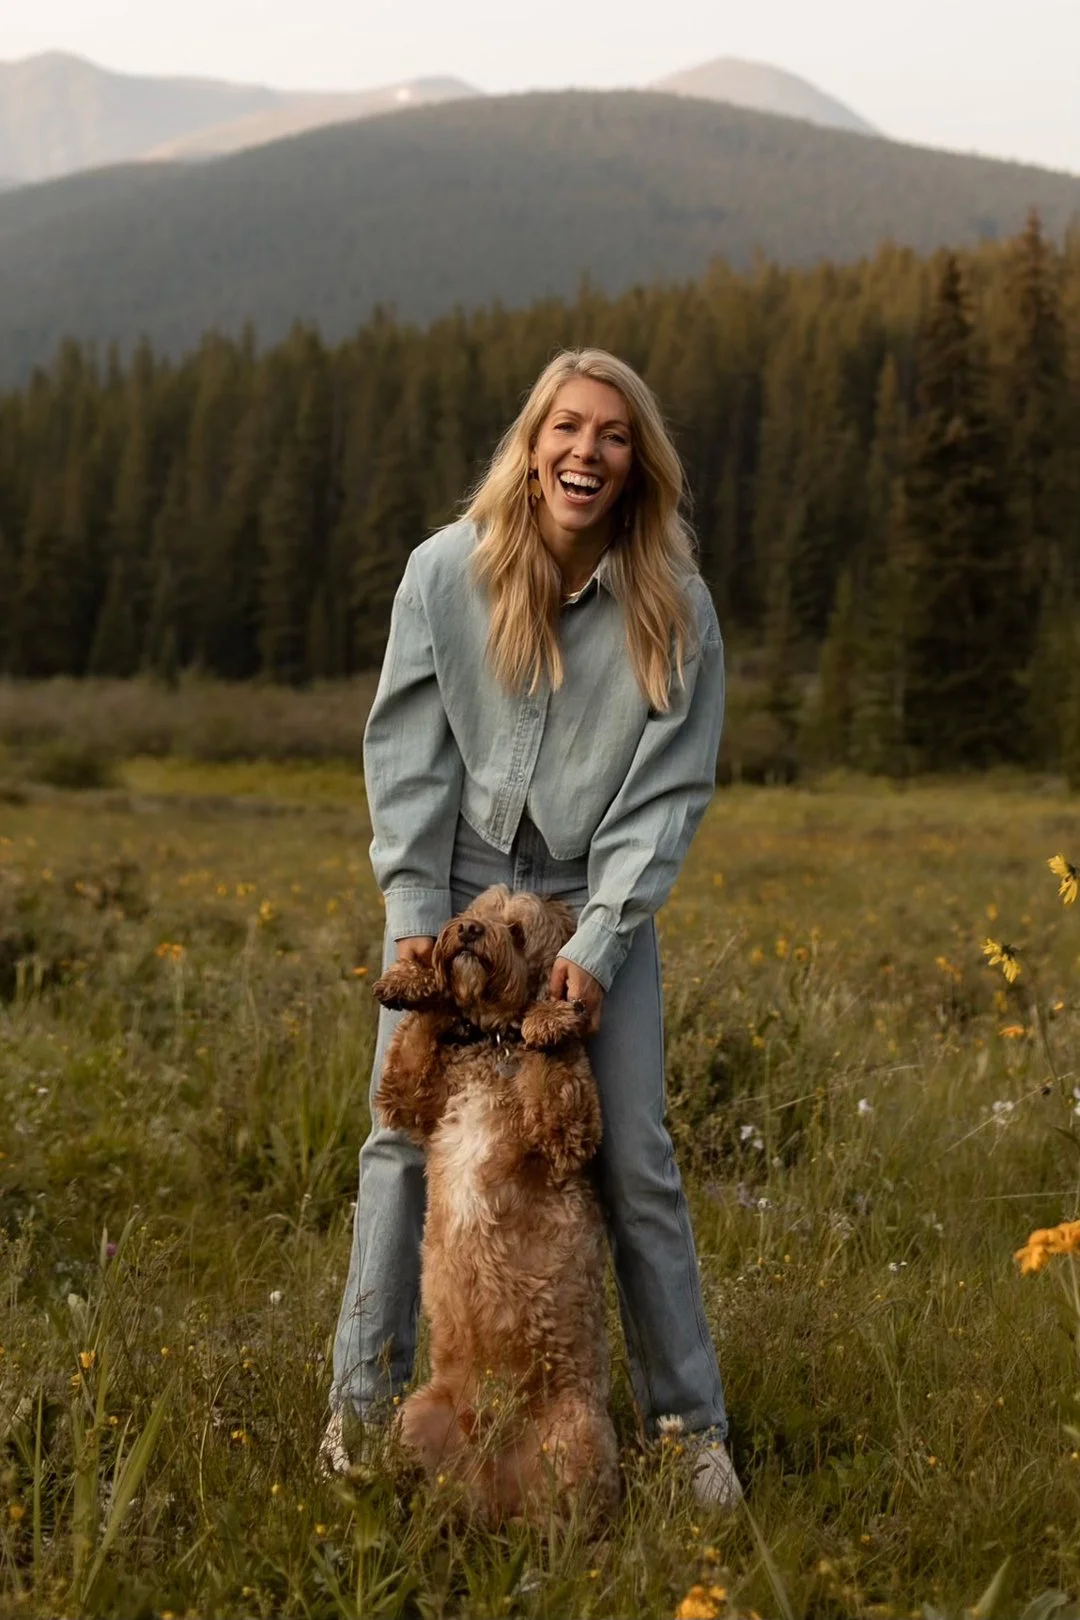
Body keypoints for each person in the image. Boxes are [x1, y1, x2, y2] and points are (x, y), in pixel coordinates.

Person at [322, 348, 741, 1509]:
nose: (586, 451)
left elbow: (661, 806)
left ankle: (687, 1429)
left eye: (613, 434)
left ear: (636, 463)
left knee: (637, 1157)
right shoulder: (442, 574)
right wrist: (417, 929)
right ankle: (361, 1412)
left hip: (588, 892)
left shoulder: (673, 606)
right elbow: (405, 763)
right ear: (532, 441)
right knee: (395, 1142)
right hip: (457, 895)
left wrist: (595, 956)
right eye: (567, 427)